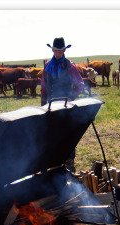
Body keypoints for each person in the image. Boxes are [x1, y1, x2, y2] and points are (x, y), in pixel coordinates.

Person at [41, 37, 84, 173]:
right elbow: (43, 86)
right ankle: (55, 162)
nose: (58, 52)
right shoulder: (48, 66)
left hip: (66, 106)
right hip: (51, 105)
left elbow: (80, 84)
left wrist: (71, 97)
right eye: (56, 50)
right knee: (52, 133)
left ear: (64, 50)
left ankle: (69, 162)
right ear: (53, 50)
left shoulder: (70, 66)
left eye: (60, 50)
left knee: (68, 133)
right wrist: (43, 104)